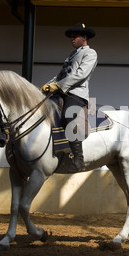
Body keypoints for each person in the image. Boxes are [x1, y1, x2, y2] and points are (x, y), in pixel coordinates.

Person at [41, 22, 98, 172]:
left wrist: (58, 86)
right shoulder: (72, 55)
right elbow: (61, 75)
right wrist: (48, 85)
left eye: (75, 36)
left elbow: (80, 74)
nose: (72, 39)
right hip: (62, 90)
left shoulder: (90, 53)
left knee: (68, 116)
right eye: (71, 37)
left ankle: (78, 159)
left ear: (84, 37)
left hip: (76, 93)